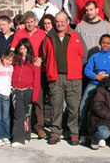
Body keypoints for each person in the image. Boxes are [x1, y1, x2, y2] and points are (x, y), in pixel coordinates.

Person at [44, 12, 84, 145]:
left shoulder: (75, 35)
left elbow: (83, 55)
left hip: (73, 78)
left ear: (67, 21)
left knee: (73, 108)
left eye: (62, 21)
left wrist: (76, 68)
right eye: (57, 21)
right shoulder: (49, 37)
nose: (60, 24)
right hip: (55, 77)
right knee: (56, 107)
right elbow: (44, 55)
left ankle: (73, 133)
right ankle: (55, 133)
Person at [10, 11, 46, 139]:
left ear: (35, 22)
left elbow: (46, 50)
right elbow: (13, 49)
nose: (29, 24)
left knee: (38, 99)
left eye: (32, 22)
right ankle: (24, 127)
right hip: (23, 69)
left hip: (38, 70)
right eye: (27, 22)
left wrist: (41, 59)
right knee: (24, 102)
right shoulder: (20, 33)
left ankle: (39, 126)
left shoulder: (42, 33)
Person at [82, 34, 110, 139]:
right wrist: (96, 76)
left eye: (108, 43)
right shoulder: (95, 56)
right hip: (95, 83)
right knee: (83, 105)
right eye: (103, 42)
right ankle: (82, 131)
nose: (105, 44)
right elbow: (87, 70)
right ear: (100, 43)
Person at [10, 38, 41, 147]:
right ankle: (18, 138)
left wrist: (35, 96)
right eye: (21, 49)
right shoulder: (15, 60)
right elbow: (5, 61)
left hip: (28, 90)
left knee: (27, 115)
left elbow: (37, 79)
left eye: (25, 48)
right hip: (17, 90)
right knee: (18, 115)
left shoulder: (33, 61)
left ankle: (26, 135)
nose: (23, 51)